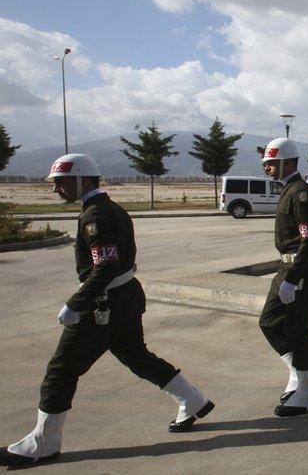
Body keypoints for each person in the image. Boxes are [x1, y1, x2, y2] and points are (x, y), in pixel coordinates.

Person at [1, 154, 213, 468]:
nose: (57, 189)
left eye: (61, 183)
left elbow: (105, 267)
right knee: (137, 356)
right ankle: (192, 400)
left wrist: (77, 303)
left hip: (104, 302)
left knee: (61, 371)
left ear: (82, 180)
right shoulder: (110, 207)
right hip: (125, 297)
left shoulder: (95, 216)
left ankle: (44, 441)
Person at [259, 138, 308, 417]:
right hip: (288, 268)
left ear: (287, 162)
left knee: (298, 331)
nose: (267, 169)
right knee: (269, 322)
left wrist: (293, 278)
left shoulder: (300, 193)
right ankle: (301, 375)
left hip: (301, 270)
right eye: (266, 164)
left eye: (271, 164)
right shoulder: (289, 190)